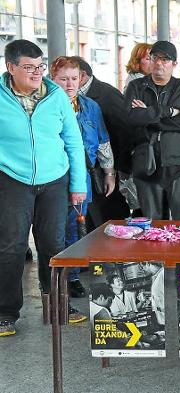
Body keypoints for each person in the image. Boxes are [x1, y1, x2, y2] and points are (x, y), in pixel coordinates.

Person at [0, 40, 88, 337]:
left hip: (55, 179)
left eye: (40, 66)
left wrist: (78, 185)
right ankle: (6, 312)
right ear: (10, 68)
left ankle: (59, 305)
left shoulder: (55, 96)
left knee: (54, 244)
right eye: (28, 67)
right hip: (11, 179)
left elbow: (74, 142)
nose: (37, 73)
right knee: (11, 246)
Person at [50, 56, 116, 299]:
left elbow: (102, 141)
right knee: (54, 228)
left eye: (74, 79)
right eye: (63, 79)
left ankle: (75, 276)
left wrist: (109, 172)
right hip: (54, 176)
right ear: (52, 78)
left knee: (78, 225)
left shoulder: (90, 107)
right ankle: (56, 277)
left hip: (83, 176)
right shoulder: (47, 106)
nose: (69, 84)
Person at [125, 40, 180, 220]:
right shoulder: (136, 86)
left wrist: (148, 118)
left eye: (165, 59)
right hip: (146, 163)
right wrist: (168, 111)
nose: (158, 63)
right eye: (155, 58)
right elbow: (130, 118)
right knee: (152, 223)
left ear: (174, 64)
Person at [76, 57, 134, 224]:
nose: (68, 83)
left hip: (107, 164)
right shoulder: (76, 98)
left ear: (82, 75)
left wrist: (119, 167)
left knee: (107, 212)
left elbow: (124, 130)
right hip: (94, 166)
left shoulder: (106, 94)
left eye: (72, 77)